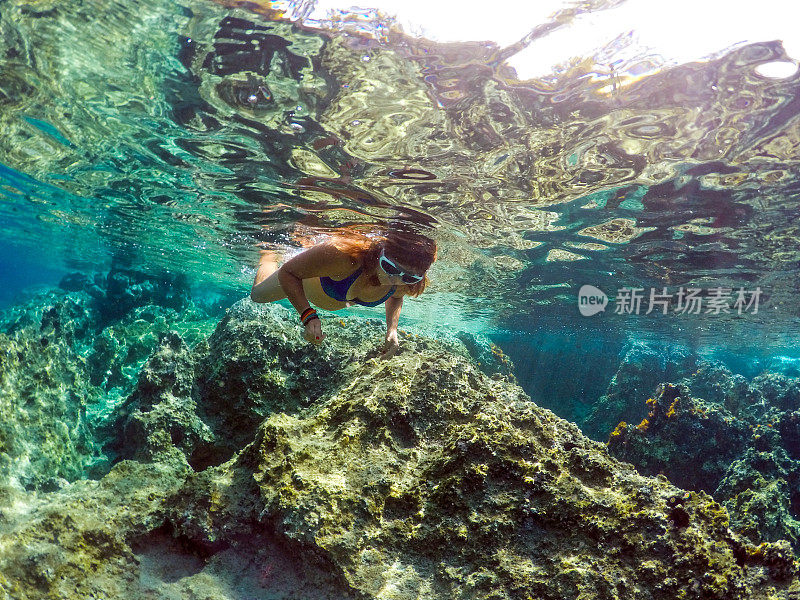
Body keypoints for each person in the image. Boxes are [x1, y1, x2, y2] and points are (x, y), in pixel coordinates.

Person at [250, 229, 437, 359]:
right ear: (381, 253)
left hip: (326, 294)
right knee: (257, 296)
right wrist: (307, 314)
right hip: (302, 280)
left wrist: (392, 329)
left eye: (409, 278)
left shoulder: (406, 278)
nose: (395, 280)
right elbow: (289, 273)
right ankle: (269, 254)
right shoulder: (345, 257)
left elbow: (396, 296)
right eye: (389, 268)